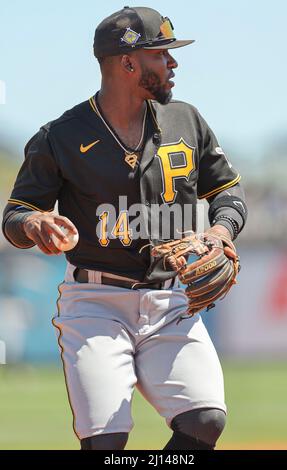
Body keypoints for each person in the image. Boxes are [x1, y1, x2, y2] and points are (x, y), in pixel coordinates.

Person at [2, 6, 247, 450]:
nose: (173, 63)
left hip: (172, 299)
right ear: (128, 62)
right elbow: (15, 214)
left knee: (206, 420)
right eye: (162, 53)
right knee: (106, 443)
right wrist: (34, 221)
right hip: (96, 303)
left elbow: (229, 193)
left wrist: (221, 232)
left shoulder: (186, 120)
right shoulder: (60, 135)